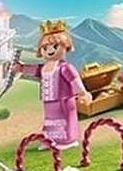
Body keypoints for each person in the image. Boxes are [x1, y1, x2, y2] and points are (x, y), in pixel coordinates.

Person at [13, 20, 91, 150]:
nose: (50, 50)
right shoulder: (44, 67)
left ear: (65, 46)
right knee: (50, 121)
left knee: (65, 120)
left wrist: (83, 93)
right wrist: (21, 68)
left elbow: (74, 80)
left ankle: (67, 140)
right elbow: (33, 70)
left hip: (63, 100)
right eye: (45, 48)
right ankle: (49, 140)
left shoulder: (65, 67)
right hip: (49, 101)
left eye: (55, 46)